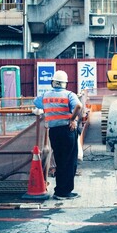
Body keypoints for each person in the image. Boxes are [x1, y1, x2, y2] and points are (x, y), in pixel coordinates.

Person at [33, 70, 82, 200]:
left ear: (53, 82)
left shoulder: (45, 96)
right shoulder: (69, 95)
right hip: (67, 130)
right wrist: (72, 119)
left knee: (60, 161)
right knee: (69, 161)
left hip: (53, 132)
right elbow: (79, 105)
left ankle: (59, 190)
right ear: (65, 83)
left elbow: (36, 102)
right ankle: (64, 192)